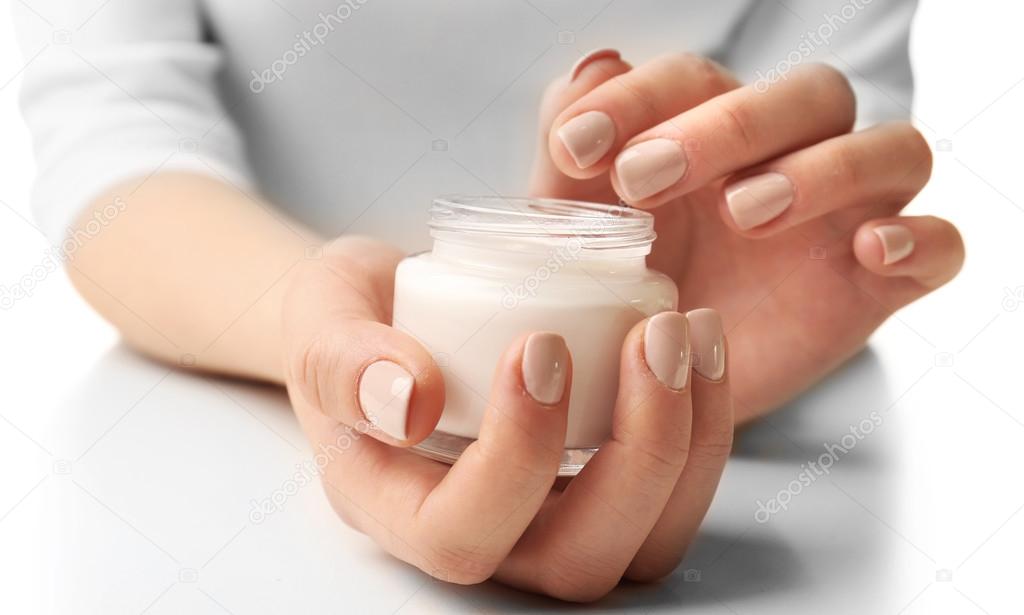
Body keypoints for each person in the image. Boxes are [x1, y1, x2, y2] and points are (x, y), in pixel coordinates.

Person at [13, 0, 962, 602]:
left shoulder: (662, 304)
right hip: (184, 448)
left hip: (713, 346)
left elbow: (838, 102)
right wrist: (321, 319)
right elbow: (111, 131)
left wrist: (771, 212)